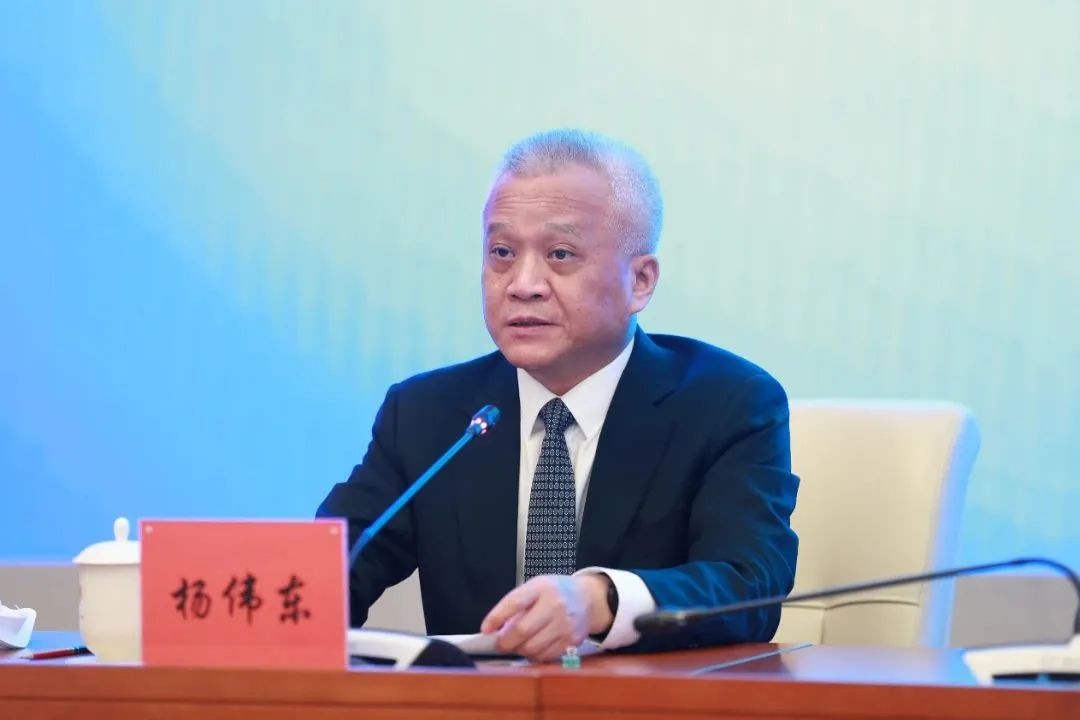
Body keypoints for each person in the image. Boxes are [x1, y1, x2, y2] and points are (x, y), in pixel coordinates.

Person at [317, 128, 799, 661]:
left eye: (560, 254)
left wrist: (598, 601)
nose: (522, 283)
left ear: (641, 281)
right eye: (502, 252)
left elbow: (749, 587)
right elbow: (335, 568)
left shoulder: (727, 404)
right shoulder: (427, 414)